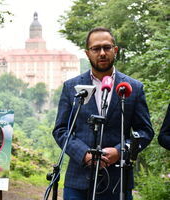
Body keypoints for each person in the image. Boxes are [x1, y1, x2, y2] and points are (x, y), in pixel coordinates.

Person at [52, 27, 154, 200]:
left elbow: (144, 132)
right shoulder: (71, 87)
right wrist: (83, 154)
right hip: (78, 181)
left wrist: (120, 151)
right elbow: (61, 130)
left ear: (115, 50)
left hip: (118, 182)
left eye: (107, 48)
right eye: (96, 48)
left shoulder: (134, 88)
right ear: (87, 53)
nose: (102, 53)